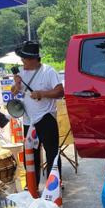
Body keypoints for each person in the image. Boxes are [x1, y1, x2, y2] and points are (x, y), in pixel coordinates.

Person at [10, 41, 64, 183]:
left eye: (24, 58)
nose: (22, 61)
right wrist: (16, 85)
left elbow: (60, 91)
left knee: (52, 153)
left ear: (34, 59)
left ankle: (54, 186)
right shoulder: (21, 73)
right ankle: (32, 186)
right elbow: (14, 92)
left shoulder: (48, 71)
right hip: (28, 120)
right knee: (30, 155)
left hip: (46, 118)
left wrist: (42, 93)